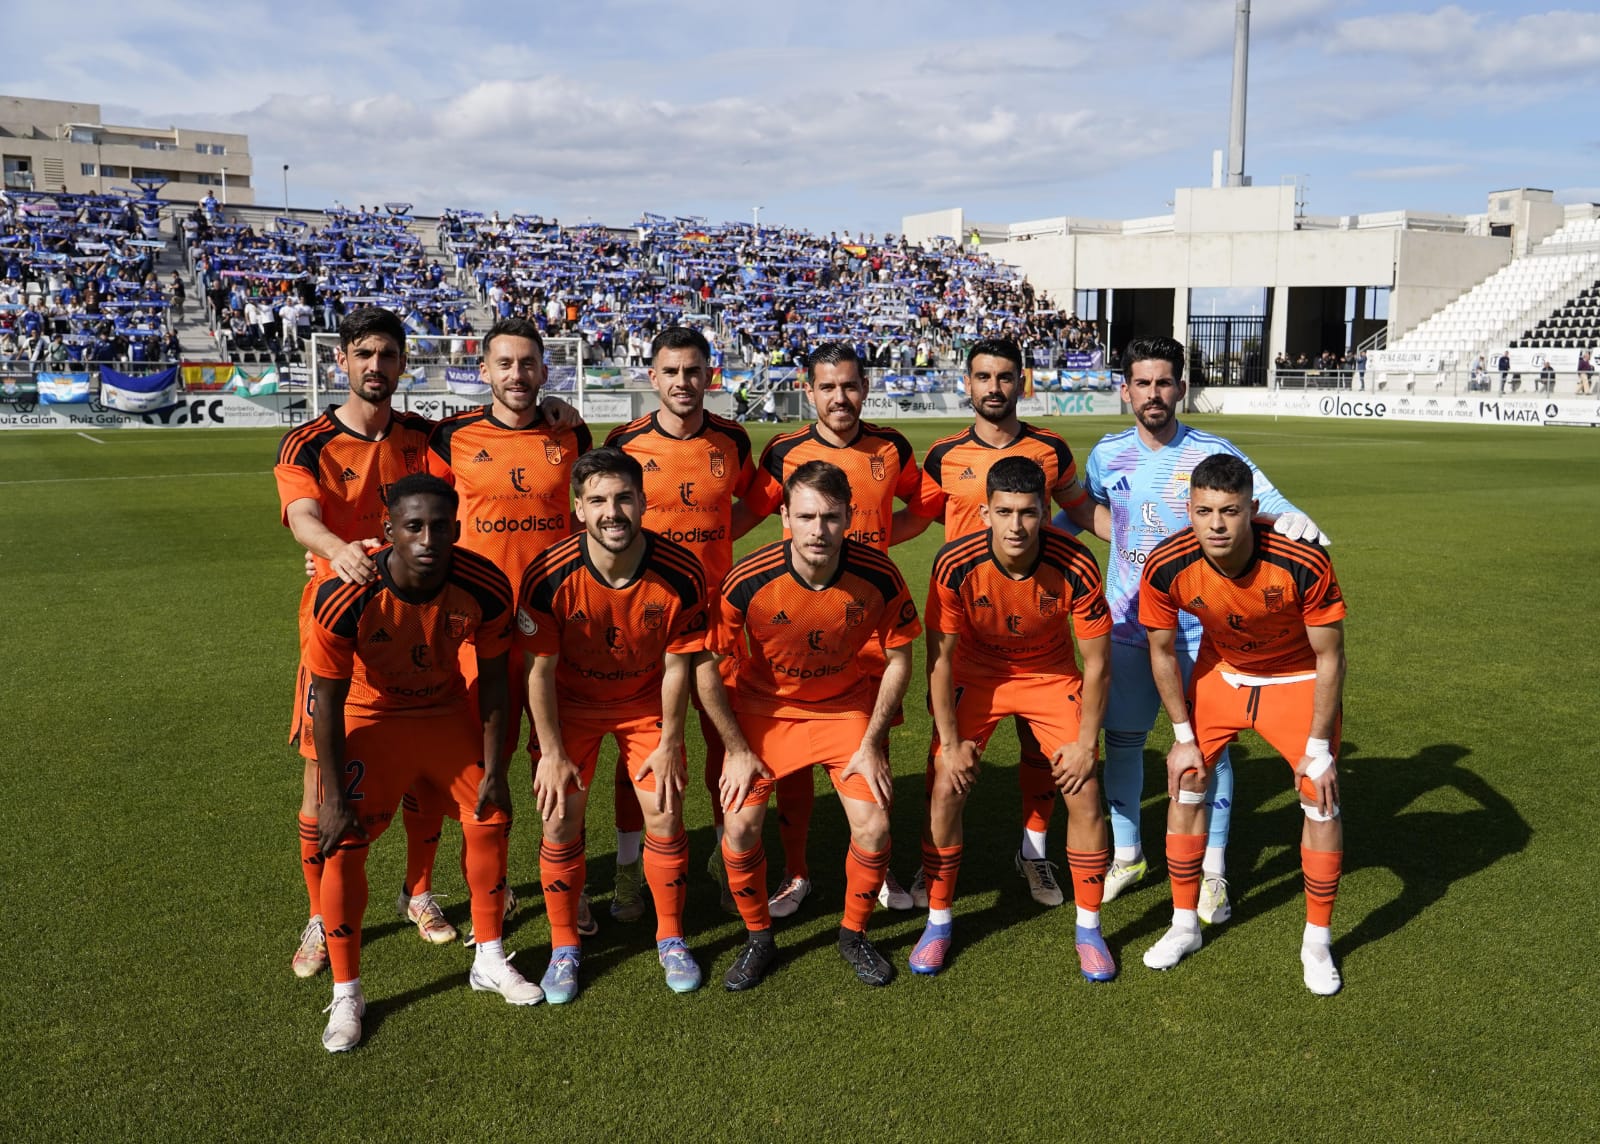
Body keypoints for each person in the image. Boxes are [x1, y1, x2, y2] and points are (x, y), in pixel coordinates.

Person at [1055, 335, 1328, 924]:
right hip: (1128, 622)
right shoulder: (1106, 453)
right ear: (1125, 389)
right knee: (1123, 742)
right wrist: (1071, 542)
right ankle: (1128, 857)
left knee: (1211, 753)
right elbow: (1091, 511)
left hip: (1206, 633)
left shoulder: (1209, 451)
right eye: (1143, 383)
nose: (1154, 394)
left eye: (1164, 382)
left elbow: (1268, 505)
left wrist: (1294, 519)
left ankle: (1212, 871)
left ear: (1181, 386)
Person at [306, 473, 543, 1052]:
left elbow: (492, 688)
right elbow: (328, 707)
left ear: (458, 530)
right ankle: (347, 992)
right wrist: (333, 798)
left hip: (440, 711)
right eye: (413, 526)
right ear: (387, 532)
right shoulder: (342, 594)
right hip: (371, 713)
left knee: (489, 816)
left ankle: (488, 959)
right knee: (344, 842)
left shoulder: (484, 585)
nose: (428, 538)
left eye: (440, 526)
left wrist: (495, 767)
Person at [698, 461, 920, 991]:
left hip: (844, 710)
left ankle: (853, 934)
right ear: (784, 518)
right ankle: (759, 938)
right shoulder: (748, 580)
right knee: (740, 828)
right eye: (806, 516)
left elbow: (900, 658)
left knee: (875, 827)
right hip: (764, 711)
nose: (818, 529)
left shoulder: (879, 575)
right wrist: (735, 748)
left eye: (830, 517)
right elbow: (709, 664)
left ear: (848, 518)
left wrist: (871, 744)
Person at [741, 341, 942, 918]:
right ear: (809, 391)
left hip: (868, 618)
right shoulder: (784, 449)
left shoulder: (891, 446)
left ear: (866, 388)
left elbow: (924, 508)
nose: (840, 397)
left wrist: (874, 547)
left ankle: (879, 870)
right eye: (827, 387)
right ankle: (797, 870)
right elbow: (754, 514)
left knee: (872, 745)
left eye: (850, 385)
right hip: (804, 616)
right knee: (795, 750)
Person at [1137, 454, 1348, 995]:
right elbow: (1161, 652)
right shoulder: (1166, 563)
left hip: (1296, 679)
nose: (1216, 524)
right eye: (1204, 510)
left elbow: (1330, 657)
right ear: (1189, 509)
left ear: (1253, 509)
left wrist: (1319, 747)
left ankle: (1316, 941)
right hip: (1221, 675)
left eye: (1230, 511)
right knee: (1186, 784)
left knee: (1319, 796)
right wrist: (1182, 738)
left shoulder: (1302, 561)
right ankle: (1185, 925)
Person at [275, 307, 443, 973]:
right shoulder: (307, 442)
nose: (376, 366)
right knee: (322, 784)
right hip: (338, 627)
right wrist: (334, 549)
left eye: (388, 354)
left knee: (425, 772)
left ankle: (420, 893)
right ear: (341, 360)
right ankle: (321, 917)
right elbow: (301, 515)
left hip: (422, 626)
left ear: (403, 364)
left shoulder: (430, 438)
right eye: (364, 353)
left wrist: (555, 412)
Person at [515, 448, 711, 1002]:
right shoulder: (548, 574)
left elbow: (679, 667)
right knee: (559, 819)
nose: (612, 511)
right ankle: (563, 947)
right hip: (571, 707)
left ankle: (670, 937)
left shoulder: (681, 572)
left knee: (666, 813)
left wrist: (672, 740)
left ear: (644, 503)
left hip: (645, 704)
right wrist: (551, 753)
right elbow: (539, 673)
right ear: (578, 509)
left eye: (624, 497)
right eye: (598, 500)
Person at [913, 457, 1113, 980]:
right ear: (985, 513)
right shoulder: (954, 563)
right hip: (978, 675)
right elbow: (939, 659)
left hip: (1049, 675)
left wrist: (1086, 743)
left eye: (1028, 512)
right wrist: (952, 742)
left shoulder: (1077, 562)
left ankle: (1089, 929)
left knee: (1085, 787)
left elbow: (1097, 663)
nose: (1017, 525)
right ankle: (938, 921)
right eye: (1004, 512)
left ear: (1045, 512)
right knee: (945, 785)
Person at [425, 315, 594, 930]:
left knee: (560, 764)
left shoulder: (570, 435)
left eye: (528, 364)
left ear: (545, 371)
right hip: (478, 631)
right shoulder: (450, 438)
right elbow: (420, 516)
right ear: (484, 370)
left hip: (556, 629)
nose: (517, 375)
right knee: (478, 767)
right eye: (505, 364)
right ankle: (478, 893)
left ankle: (564, 887)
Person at [917, 337, 1096, 909]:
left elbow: (1079, 507)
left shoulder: (1050, 448)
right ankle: (932, 870)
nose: (994, 388)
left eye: (1005, 377)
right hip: (969, 626)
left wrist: (1138, 546)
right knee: (945, 762)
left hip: (1039, 628)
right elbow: (915, 517)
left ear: (1022, 381)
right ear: (967, 383)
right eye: (983, 377)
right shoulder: (942, 454)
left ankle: (1034, 851)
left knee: (1042, 754)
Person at [606, 326, 764, 912]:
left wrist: (718, 539)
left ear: (708, 376)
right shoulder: (625, 442)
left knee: (727, 742)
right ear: (653, 377)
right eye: (670, 372)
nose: (682, 383)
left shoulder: (732, 439)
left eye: (693, 371)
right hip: (645, 620)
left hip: (718, 616)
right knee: (641, 749)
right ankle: (629, 866)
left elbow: (752, 502)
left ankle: (726, 861)